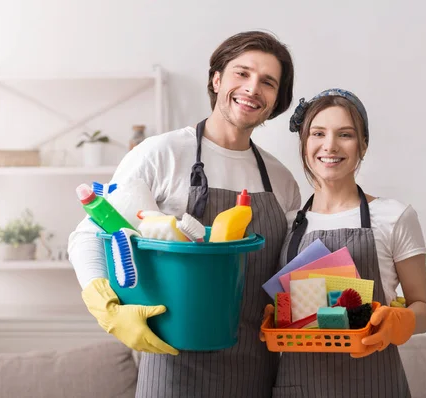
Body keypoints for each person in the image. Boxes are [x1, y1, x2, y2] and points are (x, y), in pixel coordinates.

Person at [68, 31, 301, 398]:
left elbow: (285, 271)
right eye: (242, 73)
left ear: (276, 101)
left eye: (268, 82)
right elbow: (89, 232)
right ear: (217, 79)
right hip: (173, 366)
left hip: (257, 366)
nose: (253, 88)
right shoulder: (162, 153)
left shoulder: (281, 179)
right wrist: (107, 307)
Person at [273, 88, 426, 397]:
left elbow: (424, 309)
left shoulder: (394, 216)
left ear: (363, 145)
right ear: (305, 143)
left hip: (374, 383)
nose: (329, 145)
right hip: (299, 386)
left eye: (344, 134)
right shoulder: (288, 222)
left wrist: (402, 320)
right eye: (318, 133)